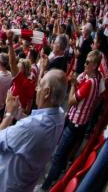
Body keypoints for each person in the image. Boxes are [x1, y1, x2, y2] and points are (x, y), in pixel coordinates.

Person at [0, 69, 67, 192]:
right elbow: (35, 124)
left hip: (3, 185)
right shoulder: (60, 116)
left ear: (47, 92)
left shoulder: (30, 127)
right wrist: (18, 113)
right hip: (25, 182)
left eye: (40, 85)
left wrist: (9, 114)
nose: (37, 89)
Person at [41, 50, 104, 190]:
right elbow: (98, 97)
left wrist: (74, 85)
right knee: (65, 152)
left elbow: (70, 100)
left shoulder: (89, 82)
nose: (85, 64)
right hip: (81, 121)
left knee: (58, 155)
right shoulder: (98, 78)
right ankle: (56, 175)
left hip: (76, 122)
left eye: (88, 62)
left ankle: (46, 185)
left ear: (94, 65)